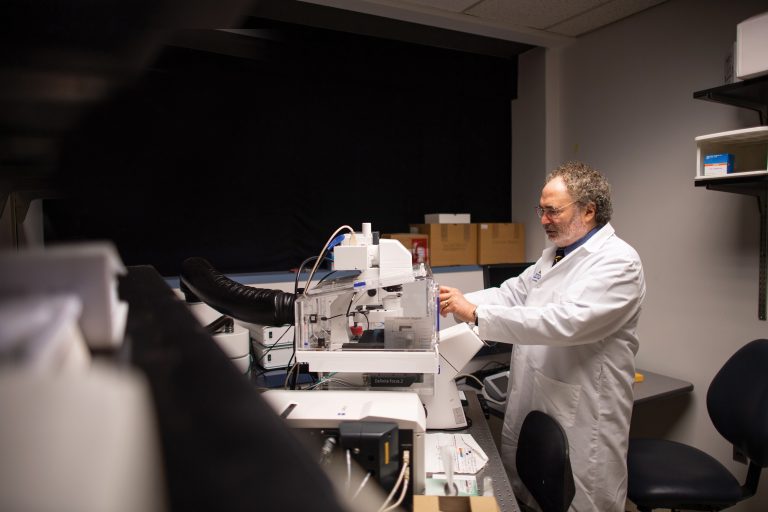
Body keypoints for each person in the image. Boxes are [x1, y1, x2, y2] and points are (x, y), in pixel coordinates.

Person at [439, 162, 646, 512]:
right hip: (541, 395)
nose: (543, 219)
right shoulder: (554, 256)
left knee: (578, 499)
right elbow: (513, 294)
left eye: (553, 211)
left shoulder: (618, 263)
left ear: (589, 210)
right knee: (533, 493)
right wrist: (455, 300)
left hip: (584, 410)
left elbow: (564, 323)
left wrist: (474, 313)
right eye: (542, 209)